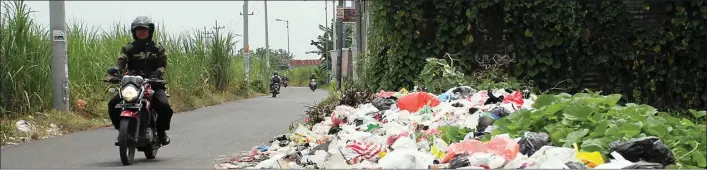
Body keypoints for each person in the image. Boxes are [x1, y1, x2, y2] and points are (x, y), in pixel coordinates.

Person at [108, 16, 173, 146]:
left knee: (165, 106)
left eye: (144, 29)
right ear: (134, 32)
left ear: (150, 31)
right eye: (138, 30)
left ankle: (161, 133)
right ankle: (121, 132)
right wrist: (117, 73)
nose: (141, 32)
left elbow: (162, 65)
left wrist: (157, 74)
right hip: (132, 84)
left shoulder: (158, 48)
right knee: (113, 104)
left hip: (154, 83)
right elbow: (122, 61)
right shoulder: (128, 48)